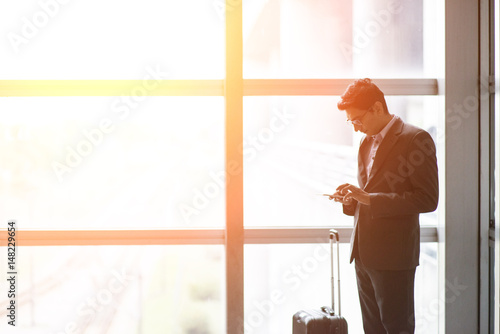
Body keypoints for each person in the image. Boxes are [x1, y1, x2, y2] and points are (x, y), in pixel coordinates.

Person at [331, 78, 439, 334]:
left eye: (357, 119)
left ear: (377, 108)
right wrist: (352, 200)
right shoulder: (365, 143)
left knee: (397, 328)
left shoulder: (416, 139)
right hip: (363, 255)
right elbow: (367, 194)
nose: (356, 128)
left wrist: (370, 199)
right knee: (372, 329)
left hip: (394, 258)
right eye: (351, 122)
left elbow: (427, 199)